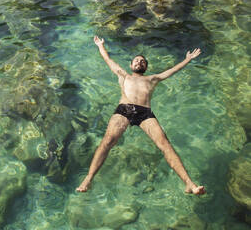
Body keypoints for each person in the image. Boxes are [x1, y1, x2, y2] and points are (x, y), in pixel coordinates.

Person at [76, 36, 205, 195]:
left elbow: (173, 70)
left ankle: (189, 184)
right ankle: (89, 178)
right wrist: (101, 45)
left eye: (142, 61)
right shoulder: (123, 75)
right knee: (108, 140)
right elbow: (107, 59)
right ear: (130, 65)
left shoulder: (152, 79)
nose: (139, 62)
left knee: (165, 144)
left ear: (146, 67)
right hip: (124, 110)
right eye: (136, 60)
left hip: (145, 113)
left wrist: (188, 59)